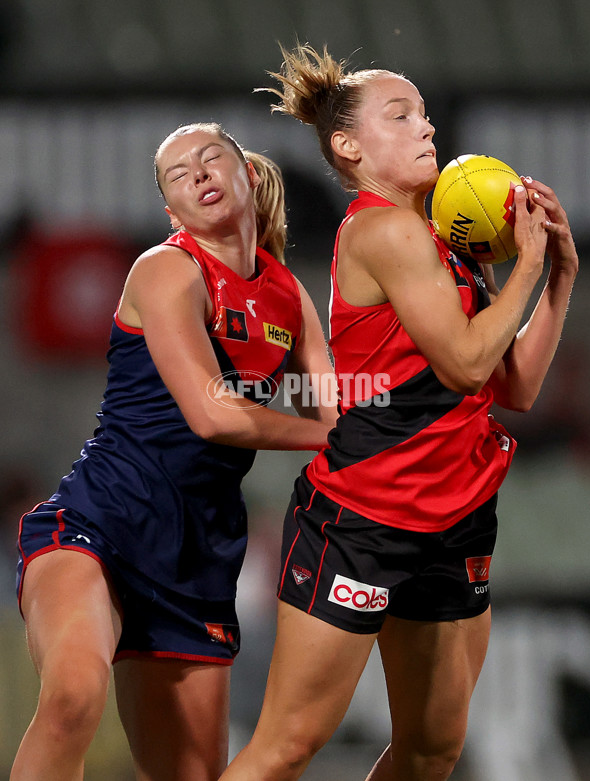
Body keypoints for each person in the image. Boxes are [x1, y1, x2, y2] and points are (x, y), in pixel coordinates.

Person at [220, 45, 579, 781]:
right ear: (349, 146)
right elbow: (467, 361)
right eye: (401, 114)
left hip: (454, 518)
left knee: (431, 748)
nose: (426, 128)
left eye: (424, 113)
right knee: (288, 743)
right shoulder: (382, 230)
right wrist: (530, 268)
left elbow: (514, 386)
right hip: (363, 519)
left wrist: (559, 278)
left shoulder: (449, 247)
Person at [12, 122, 337, 781]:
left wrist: (400, 404)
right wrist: (336, 433)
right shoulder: (166, 268)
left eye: (210, 159)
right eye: (177, 174)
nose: (197, 174)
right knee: (73, 696)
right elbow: (214, 411)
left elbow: (329, 404)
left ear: (245, 174)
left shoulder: (289, 298)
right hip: (101, 518)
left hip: (196, 554)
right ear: (172, 210)